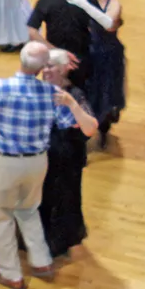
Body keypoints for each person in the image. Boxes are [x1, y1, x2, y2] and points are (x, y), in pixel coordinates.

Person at [0, 42, 91, 289]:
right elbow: (69, 122)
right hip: (38, 162)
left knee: (2, 216)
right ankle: (41, 262)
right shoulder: (50, 93)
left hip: (8, 162)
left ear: (21, 59)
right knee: (29, 210)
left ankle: (10, 274)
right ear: (41, 68)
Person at [37, 49, 99, 258]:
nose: (45, 70)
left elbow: (90, 128)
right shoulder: (36, 90)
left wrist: (71, 104)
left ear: (64, 70)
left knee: (63, 199)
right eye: (44, 66)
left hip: (66, 162)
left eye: (51, 66)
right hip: (39, 159)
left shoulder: (75, 95)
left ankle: (56, 241)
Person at [28, 0, 109, 90]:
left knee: (53, 95)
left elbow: (31, 31)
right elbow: (101, 27)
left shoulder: (45, 0)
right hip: (81, 59)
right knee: (80, 98)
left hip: (54, 60)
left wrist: (55, 51)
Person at [80, 0, 125, 148]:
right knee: (88, 90)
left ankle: (104, 126)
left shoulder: (114, 3)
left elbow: (108, 25)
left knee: (106, 91)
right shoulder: (86, 0)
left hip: (107, 55)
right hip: (89, 52)